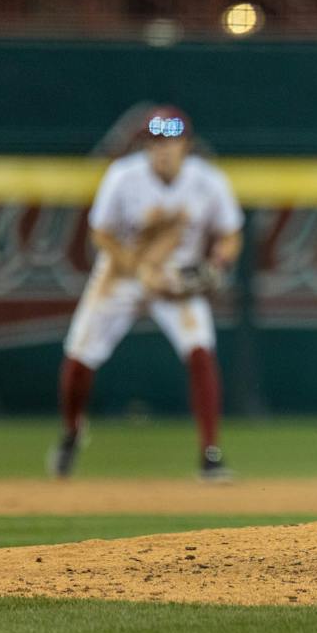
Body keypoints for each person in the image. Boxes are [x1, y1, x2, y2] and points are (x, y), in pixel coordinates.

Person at [48, 105, 244, 481]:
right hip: (120, 276)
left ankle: (210, 455)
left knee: (200, 350)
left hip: (175, 281)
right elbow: (101, 233)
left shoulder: (208, 181)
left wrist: (219, 261)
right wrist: (138, 270)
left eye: (171, 141)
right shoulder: (124, 176)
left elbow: (231, 233)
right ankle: (72, 431)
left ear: (186, 144)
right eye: (155, 142)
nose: (163, 149)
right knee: (78, 360)